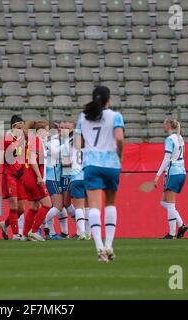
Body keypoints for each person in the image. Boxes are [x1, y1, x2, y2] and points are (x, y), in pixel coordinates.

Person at [75, 85, 124, 262]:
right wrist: (120, 155)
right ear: (108, 99)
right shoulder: (115, 116)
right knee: (110, 204)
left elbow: (78, 143)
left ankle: (99, 248)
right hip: (111, 164)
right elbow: (119, 138)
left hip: (91, 164)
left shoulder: (83, 117)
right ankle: (109, 244)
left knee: (94, 207)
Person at [0, 115, 27, 240]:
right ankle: (16, 234)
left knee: (22, 208)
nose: (21, 128)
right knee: (14, 206)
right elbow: (0, 158)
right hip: (10, 175)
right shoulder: (6, 139)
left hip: (21, 175)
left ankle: (5, 224)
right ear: (13, 127)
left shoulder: (25, 138)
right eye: (19, 126)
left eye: (22, 125)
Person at [153, 119, 188, 239]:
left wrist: (158, 175)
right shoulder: (180, 137)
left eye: (164, 123)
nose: (163, 125)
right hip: (182, 172)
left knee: (170, 204)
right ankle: (181, 225)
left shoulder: (169, 139)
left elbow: (167, 158)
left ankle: (172, 233)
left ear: (168, 125)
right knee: (164, 202)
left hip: (172, 172)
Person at [21, 120, 52, 241]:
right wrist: (39, 176)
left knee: (34, 207)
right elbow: (33, 159)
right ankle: (33, 231)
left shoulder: (31, 141)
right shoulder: (37, 140)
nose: (48, 133)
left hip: (28, 177)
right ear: (41, 130)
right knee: (47, 204)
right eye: (47, 130)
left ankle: (24, 235)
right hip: (33, 177)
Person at [42, 122, 65, 240]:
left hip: (50, 176)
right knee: (58, 206)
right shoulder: (55, 141)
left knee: (53, 207)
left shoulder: (47, 141)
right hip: (53, 178)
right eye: (59, 128)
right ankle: (38, 223)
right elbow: (56, 153)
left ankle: (52, 233)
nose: (61, 130)